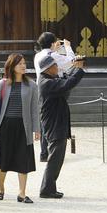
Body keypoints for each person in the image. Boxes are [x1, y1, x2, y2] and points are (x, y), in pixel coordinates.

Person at [0, 53, 41, 203]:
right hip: (6, 125)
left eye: (24, 63)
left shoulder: (32, 85)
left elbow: (34, 108)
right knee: (3, 158)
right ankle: (0, 187)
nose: (23, 66)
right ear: (12, 66)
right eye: (20, 64)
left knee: (23, 159)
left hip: (23, 126)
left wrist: (36, 129)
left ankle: (22, 193)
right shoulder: (3, 83)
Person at [38, 51, 87, 199]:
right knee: (55, 157)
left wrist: (74, 67)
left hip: (57, 121)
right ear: (47, 68)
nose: (57, 68)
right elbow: (67, 84)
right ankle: (46, 189)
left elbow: (65, 80)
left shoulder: (49, 79)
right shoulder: (46, 83)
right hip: (54, 123)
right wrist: (78, 69)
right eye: (55, 65)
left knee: (57, 157)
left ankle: (49, 187)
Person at [35, 31, 76, 161]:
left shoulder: (38, 55)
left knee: (45, 120)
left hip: (41, 88)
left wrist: (56, 48)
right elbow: (71, 62)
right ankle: (52, 149)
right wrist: (68, 46)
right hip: (54, 88)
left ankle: (44, 152)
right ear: (53, 43)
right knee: (55, 119)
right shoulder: (52, 55)